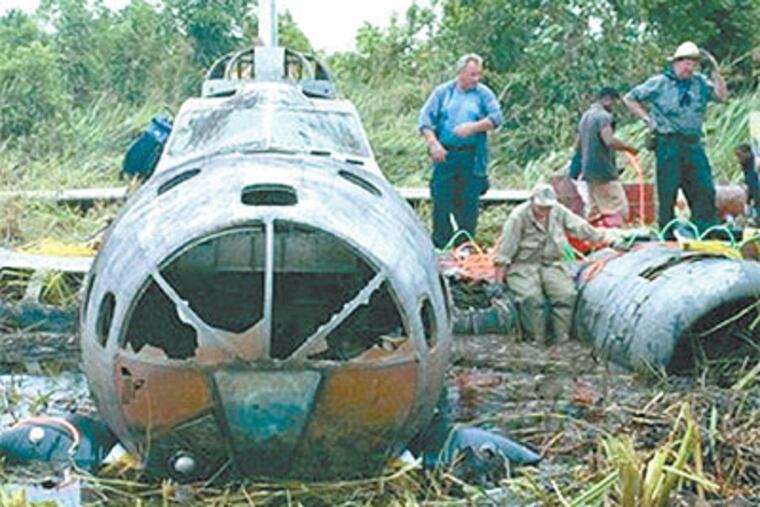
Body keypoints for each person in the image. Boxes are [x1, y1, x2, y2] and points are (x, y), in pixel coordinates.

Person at [493, 184, 619, 345]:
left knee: (566, 294)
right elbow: (504, 252)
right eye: (541, 207)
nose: (545, 211)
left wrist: (608, 239)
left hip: (551, 263)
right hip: (523, 265)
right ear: (532, 202)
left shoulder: (558, 211)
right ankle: (536, 339)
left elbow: (580, 228)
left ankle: (562, 339)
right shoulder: (518, 217)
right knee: (531, 299)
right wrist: (498, 282)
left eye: (548, 207)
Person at [624, 41, 727, 236]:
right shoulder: (660, 82)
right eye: (686, 63)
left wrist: (715, 70)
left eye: (693, 63)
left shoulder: (700, 83)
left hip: (692, 142)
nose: (689, 68)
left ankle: (705, 229)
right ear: (676, 63)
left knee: (703, 186)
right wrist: (648, 119)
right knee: (668, 189)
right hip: (668, 142)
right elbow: (630, 98)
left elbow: (722, 97)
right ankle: (667, 231)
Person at [418, 53, 504, 248]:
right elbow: (425, 121)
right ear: (460, 74)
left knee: (468, 203)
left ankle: (465, 244)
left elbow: (497, 118)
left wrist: (473, 127)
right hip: (445, 154)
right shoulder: (443, 93)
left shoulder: (483, 94)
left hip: (471, 155)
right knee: (440, 199)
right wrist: (433, 144)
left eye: (478, 74)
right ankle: (441, 244)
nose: (476, 79)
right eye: (472, 74)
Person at [576, 87, 639, 221]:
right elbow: (609, 141)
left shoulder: (585, 117)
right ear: (607, 99)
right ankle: (616, 238)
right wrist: (629, 148)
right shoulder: (604, 117)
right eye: (614, 103)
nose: (614, 107)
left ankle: (593, 239)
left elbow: (577, 145)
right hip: (604, 172)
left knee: (595, 211)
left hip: (588, 171)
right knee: (619, 210)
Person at [735, 144, 760, 224]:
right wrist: (747, 203)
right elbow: (750, 188)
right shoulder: (745, 168)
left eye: (740, 156)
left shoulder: (757, 164)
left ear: (748, 153)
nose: (738, 160)